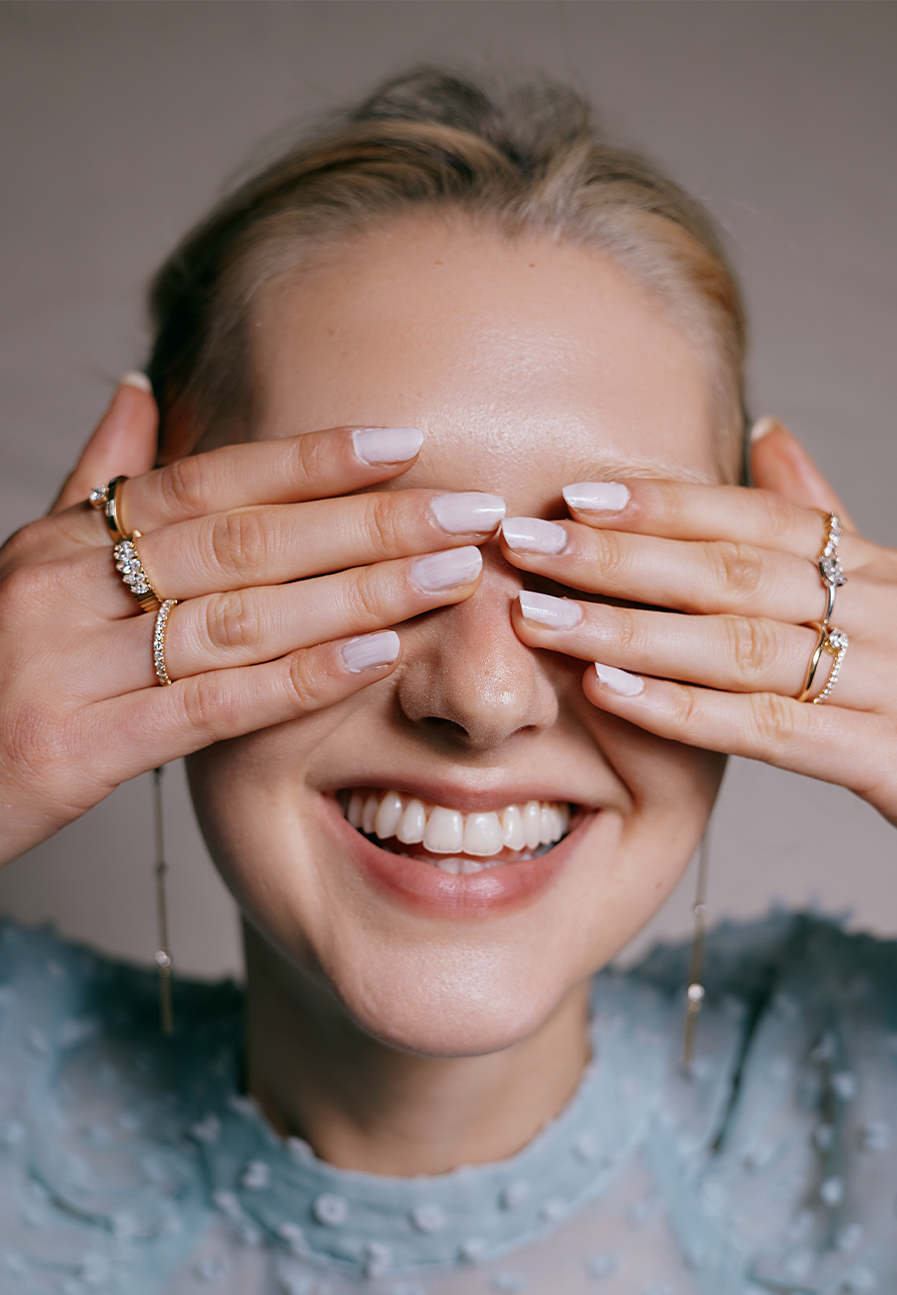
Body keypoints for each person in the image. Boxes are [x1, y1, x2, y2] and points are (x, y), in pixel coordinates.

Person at [0, 67, 895, 1295]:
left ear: (770, 603)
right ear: (140, 578)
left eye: (600, 566)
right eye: (359, 554)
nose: (481, 698)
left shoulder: (850, 1092)